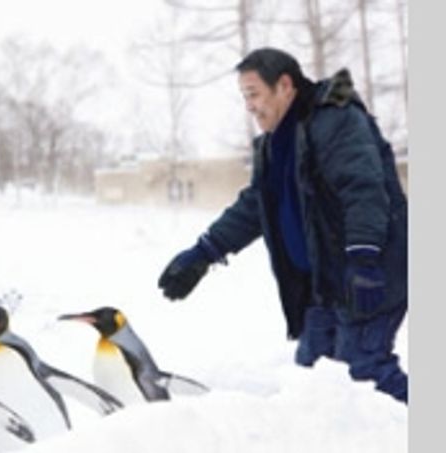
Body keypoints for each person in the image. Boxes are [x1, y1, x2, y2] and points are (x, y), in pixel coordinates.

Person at [157, 47, 408, 403]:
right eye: (244, 97)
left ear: (285, 85)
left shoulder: (334, 119)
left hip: (371, 272)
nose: (249, 106)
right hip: (325, 285)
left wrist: (364, 259)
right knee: (313, 380)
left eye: (254, 94)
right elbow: (256, 206)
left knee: (364, 374)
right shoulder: (275, 145)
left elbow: (364, 190)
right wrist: (204, 252)